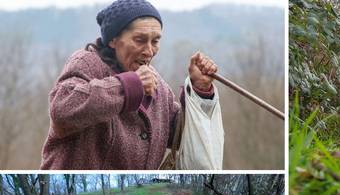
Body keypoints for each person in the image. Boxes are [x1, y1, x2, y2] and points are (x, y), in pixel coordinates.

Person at [40, 0, 219, 170]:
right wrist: (129, 86)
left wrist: (200, 90)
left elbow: (180, 136)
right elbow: (62, 109)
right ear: (112, 40)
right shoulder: (87, 63)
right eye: (140, 40)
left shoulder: (158, 85)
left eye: (155, 41)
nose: (149, 51)